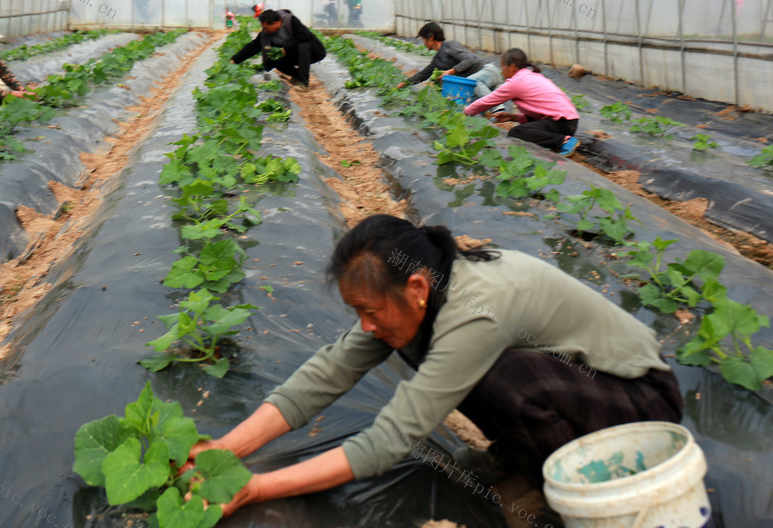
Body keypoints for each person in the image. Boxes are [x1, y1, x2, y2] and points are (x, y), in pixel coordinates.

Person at [184, 215, 682, 518]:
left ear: (417, 289)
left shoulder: (474, 308)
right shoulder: (415, 295)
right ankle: (526, 463)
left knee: (512, 383)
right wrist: (225, 449)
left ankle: (569, 494)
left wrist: (255, 488)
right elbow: (328, 372)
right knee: (473, 372)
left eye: (369, 311)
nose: (366, 325)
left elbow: (392, 436)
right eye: (356, 311)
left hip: (639, 400)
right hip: (576, 388)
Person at [464, 48, 581, 156]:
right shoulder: (533, 76)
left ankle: (564, 142)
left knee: (517, 133)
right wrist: (512, 117)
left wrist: (463, 114)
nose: (502, 71)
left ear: (512, 67)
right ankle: (559, 141)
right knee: (525, 128)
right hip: (568, 121)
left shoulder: (516, 82)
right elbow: (538, 114)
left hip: (562, 122)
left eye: (503, 67)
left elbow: (487, 101)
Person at [398, 22, 502, 100]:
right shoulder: (437, 60)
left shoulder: (449, 45)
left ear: (431, 37)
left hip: (486, 72)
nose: (423, 43)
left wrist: (451, 71)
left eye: (423, 39)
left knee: (477, 92)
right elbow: (423, 74)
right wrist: (406, 83)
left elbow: (469, 59)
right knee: (475, 104)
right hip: (479, 83)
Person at [230, 9, 326, 89]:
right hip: (294, 55)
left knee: (303, 46)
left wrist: (287, 47)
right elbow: (253, 46)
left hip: (314, 53)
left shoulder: (290, 20)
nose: (264, 30)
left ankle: (303, 83)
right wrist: (235, 59)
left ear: (276, 23)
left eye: (267, 28)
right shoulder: (266, 34)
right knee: (274, 58)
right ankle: (296, 75)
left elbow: (305, 36)